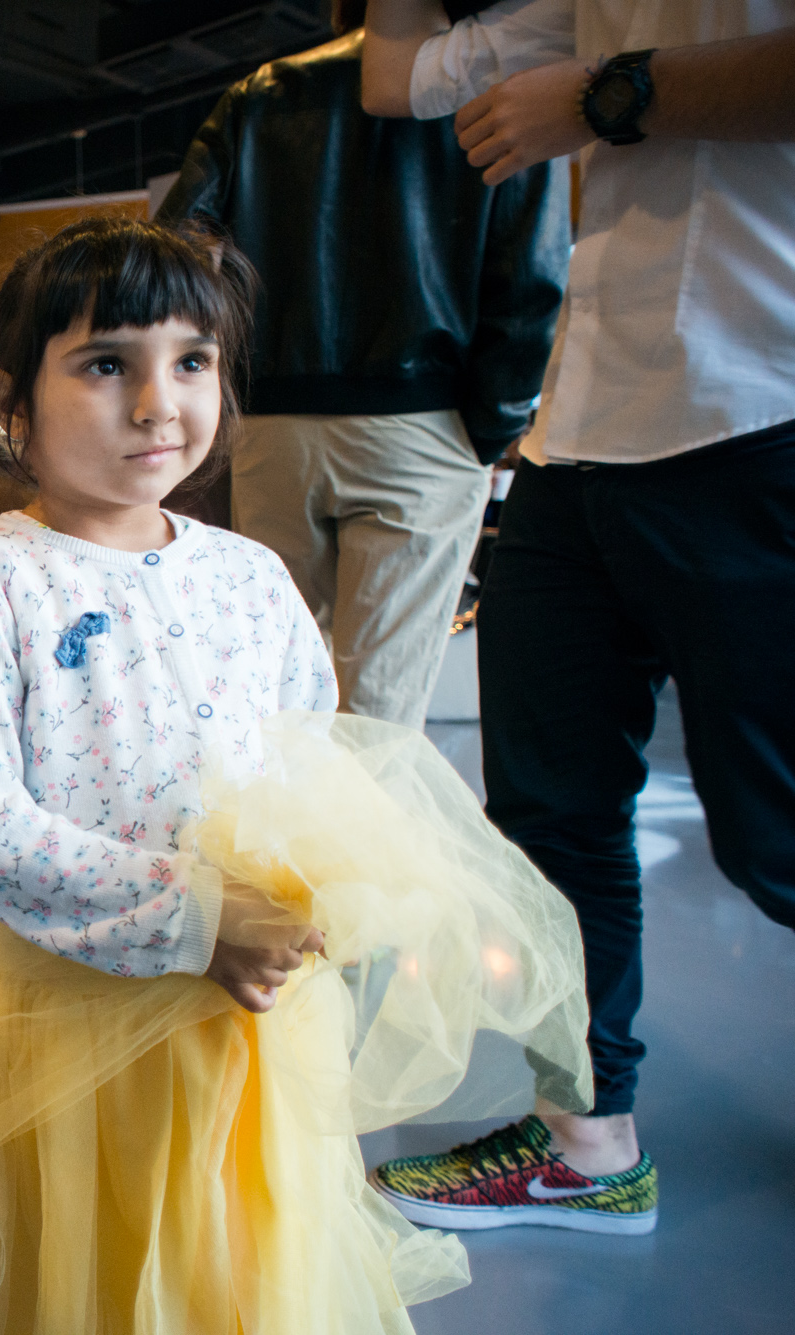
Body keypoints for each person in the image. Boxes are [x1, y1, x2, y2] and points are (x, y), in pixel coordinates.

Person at [0, 216, 591, 1330]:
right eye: (105, 364)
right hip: (75, 1019)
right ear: (11, 398)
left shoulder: (250, 575)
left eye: (192, 362)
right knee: (105, 1257)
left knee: (239, 1249)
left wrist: (318, 895)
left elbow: (312, 755)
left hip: (248, 1009)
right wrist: (196, 917)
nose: (156, 403)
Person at [358, 0, 795, 1235]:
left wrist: (608, 94)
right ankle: (585, 1143)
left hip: (762, 415)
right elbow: (395, 77)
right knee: (549, 819)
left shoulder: (591, 53)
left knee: (774, 836)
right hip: (576, 445)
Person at [156, 0, 566, 729]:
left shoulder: (262, 95)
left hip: (274, 428)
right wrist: (489, 429)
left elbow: (176, 253)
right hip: (421, 424)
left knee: (274, 703)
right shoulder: (501, 96)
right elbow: (531, 282)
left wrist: (227, 391)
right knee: (379, 717)